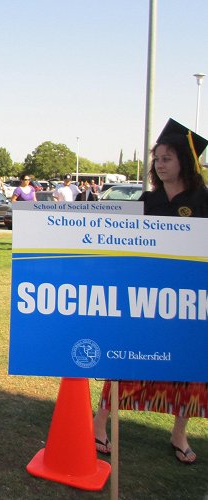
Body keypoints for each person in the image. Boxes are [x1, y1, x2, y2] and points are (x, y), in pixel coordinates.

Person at [93, 118, 208, 464]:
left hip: (191, 304)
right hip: (146, 302)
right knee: (126, 361)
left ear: (185, 162)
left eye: (167, 158)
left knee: (188, 369)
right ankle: (99, 424)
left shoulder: (204, 201)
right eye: (157, 158)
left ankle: (179, 432)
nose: (159, 164)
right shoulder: (146, 201)